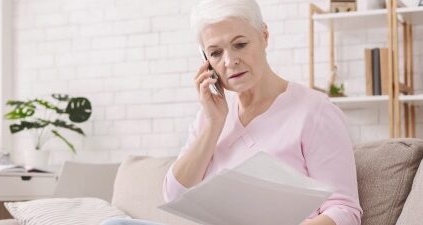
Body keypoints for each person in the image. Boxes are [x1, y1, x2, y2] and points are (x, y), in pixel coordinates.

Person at [102, 0, 362, 225]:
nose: (229, 61)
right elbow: (174, 194)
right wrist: (214, 123)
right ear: (206, 61)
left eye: (239, 44)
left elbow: (344, 211)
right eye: (216, 52)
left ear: (264, 36)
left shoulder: (315, 111)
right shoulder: (211, 115)